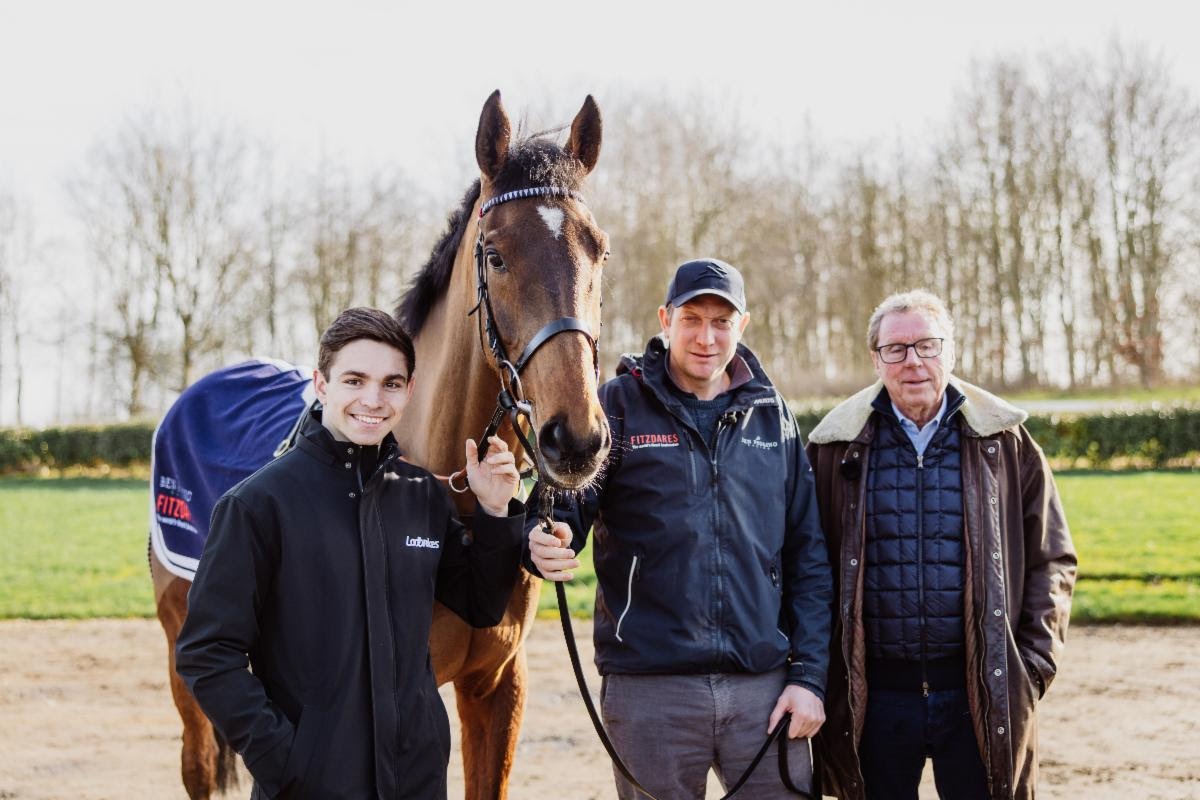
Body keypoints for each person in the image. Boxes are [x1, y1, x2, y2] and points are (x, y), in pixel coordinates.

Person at [175, 307, 524, 799]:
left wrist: (494, 510)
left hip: (416, 783)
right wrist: (286, 760)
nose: (372, 400)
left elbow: (481, 605)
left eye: (390, 383)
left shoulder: (423, 497)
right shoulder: (257, 506)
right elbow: (206, 654)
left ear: (409, 390)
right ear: (321, 384)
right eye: (354, 380)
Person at [527, 258, 833, 799]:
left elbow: (808, 557)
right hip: (650, 692)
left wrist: (808, 678)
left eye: (722, 322)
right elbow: (556, 514)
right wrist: (537, 540)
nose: (706, 337)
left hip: (762, 691)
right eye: (692, 319)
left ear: (742, 327)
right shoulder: (616, 406)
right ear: (665, 319)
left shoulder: (773, 417)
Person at [805, 289, 1077, 800]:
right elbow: (806, 565)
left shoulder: (1006, 442)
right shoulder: (833, 445)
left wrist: (1032, 668)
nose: (912, 362)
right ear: (876, 358)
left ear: (950, 352)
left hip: (980, 694)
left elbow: (1053, 560)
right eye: (896, 349)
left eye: (927, 346)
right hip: (875, 700)